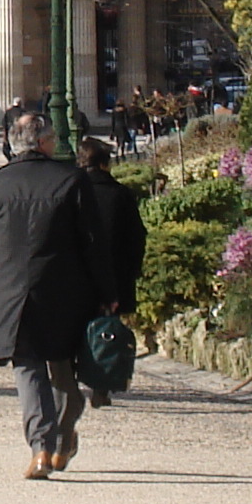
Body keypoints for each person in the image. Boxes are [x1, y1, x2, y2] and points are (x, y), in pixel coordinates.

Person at [0, 110, 106, 479]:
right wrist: (108, 290)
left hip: (9, 292)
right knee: (61, 367)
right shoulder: (72, 181)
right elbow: (94, 243)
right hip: (64, 290)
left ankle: (41, 448)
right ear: (44, 143)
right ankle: (60, 437)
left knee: (27, 367)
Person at [74, 136, 146, 406]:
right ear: (104, 164)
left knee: (72, 327)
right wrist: (133, 270)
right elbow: (137, 236)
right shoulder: (120, 194)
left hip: (75, 272)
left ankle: (67, 380)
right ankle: (100, 385)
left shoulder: (71, 191)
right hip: (113, 274)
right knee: (104, 330)